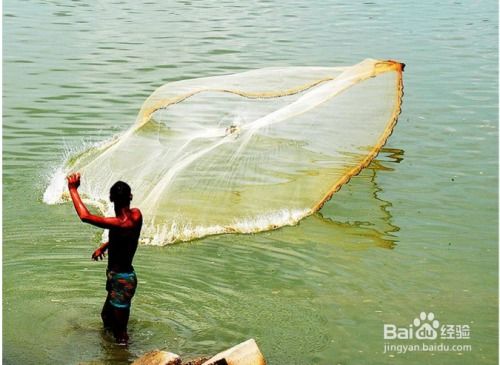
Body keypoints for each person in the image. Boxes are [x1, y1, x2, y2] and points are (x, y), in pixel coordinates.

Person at [67, 172, 142, 345]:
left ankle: (123, 357)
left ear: (111, 199)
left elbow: (85, 216)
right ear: (130, 196)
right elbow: (125, 233)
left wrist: (72, 189)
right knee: (106, 317)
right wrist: (105, 245)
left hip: (121, 281)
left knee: (120, 334)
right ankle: (108, 352)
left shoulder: (116, 223)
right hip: (121, 277)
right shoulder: (137, 215)